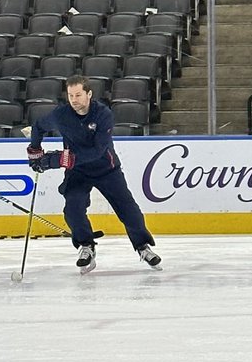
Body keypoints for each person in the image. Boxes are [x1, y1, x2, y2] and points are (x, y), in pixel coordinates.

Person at [26, 74, 161, 274]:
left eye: (78, 95)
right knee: (73, 207)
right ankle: (86, 246)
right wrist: (35, 150)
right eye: (70, 95)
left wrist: (60, 160)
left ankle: (142, 246)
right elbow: (38, 127)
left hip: (107, 169)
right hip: (78, 172)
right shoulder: (61, 115)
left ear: (89, 94)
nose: (74, 99)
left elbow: (97, 150)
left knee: (128, 210)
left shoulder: (103, 115)